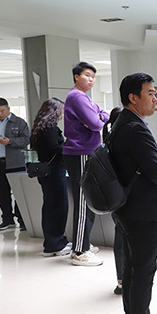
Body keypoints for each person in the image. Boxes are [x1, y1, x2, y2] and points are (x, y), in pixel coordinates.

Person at [109, 73, 157, 314]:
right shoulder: (135, 128)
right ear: (133, 97)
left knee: (132, 267)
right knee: (143, 269)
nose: (155, 98)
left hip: (127, 207)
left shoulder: (122, 123)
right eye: (150, 93)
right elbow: (155, 167)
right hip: (141, 210)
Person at [63, 61, 109, 266]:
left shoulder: (84, 98)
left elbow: (103, 115)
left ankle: (83, 243)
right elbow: (96, 123)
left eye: (93, 76)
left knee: (87, 199)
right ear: (76, 76)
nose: (91, 79)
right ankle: (80, 251)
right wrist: (97, 118)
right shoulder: (77, 97)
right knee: (83, 201)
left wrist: (98, 116)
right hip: (80, 151)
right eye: (87, 75)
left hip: (85, 151)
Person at [30, 98, 71, 256]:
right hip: (55, 171)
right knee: (58, 208)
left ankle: (54, 242)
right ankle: (55, 244)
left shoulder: (40, 127)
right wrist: (70, 145)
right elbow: (55, 149)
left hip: (46, 171)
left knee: (50, 207)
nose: (62, 114)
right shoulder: (50, 128)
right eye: (61, 110)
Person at [0, 97, 29, 231]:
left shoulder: (19, 122)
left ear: (8, 109)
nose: (0, 114)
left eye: (2, 111)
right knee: (2, 193)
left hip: (15, 163)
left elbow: (26, 140)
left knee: (19, 193)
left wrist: (10, 141)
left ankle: (22, 220)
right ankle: (7, 219)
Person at [103, 106, 125, 294]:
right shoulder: (123, 140)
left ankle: (121, 280)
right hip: (125, 196)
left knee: (120, 236)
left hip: (113, 196)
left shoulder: (108, 139)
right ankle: (126, 279)